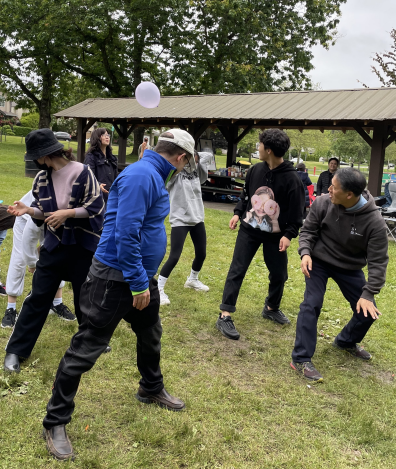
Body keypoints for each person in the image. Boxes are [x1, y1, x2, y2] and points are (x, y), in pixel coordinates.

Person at [41, 129, 193, 461]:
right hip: (116, 279)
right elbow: (125, 233)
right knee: (86, 348)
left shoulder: (151, 173)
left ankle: (150, 387)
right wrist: (138, 283)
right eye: (186, 163)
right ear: (181, 158)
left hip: (139, 276)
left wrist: (143, 280)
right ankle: (55, 421)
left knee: (150, 333)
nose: (184, 168)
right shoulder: (142, 176)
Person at [3, 129, 105, 372]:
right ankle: (15, 350)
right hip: (53, 245)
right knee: (38, 297)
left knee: (85, 296)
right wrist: (28, 210)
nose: (35, 161)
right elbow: (44, 212)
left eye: (35, 156)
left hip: (82, 246)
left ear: (44, 154)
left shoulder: (83, 171)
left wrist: (67, 213)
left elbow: (96, 207)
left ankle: (92, 340)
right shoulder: (41, 179)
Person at [291, 169, 388, 382]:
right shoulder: (323, 202)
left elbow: (378, 262)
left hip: (349, 267)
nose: (329, 190)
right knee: (311, 304)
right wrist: (305, 253)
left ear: (349, 195)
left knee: (367, 311)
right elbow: (308, 231)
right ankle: (301, 358)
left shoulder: (375, 222)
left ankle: (345, 341)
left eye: (334, 187)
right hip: (319, 262)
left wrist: (369, 293)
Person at [216, 129, 304, 340]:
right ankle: (225, 314)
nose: (258, 148)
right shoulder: (255, 170)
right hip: (249, 230)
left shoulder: (292, 179)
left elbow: (298, 212)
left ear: (269, 150)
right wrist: (237, 213)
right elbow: (246, 195)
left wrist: (289, 235)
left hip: (276, 236)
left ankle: (271, 308)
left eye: (260, 145)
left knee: (279, 274)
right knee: (237, 269)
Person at [1, 190, 73, 329]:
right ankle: (11, 308)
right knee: (19, 259)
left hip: (53, 219)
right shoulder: (48, 197)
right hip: (27, 217)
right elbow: (29, 238)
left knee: (56, 256)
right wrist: (32, 263)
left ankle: (56, 303)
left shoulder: (80, 198)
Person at [158, 150, 213, 305]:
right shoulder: (173, 174)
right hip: (180, 219)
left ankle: (192, 280)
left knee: (201, 253)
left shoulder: (197, 172)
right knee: (174, 256)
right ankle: (159, 288)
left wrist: (194, 155)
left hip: (197, 218)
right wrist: (183, 158)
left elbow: (208, 155)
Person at [83, 127, 118, 200]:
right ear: (97, 137)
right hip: (97, 198)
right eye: (104, 135)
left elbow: (116, 178)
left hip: (111, 198)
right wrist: (98, 185)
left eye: (108, 135)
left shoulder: (112, 158)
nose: (107, 137)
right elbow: (88, 177)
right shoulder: (91, 157)